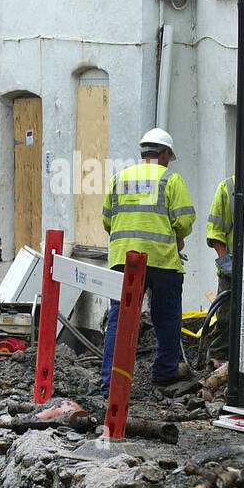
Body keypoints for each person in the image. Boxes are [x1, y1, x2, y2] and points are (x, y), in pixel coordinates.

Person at [101, 127, 195, 392]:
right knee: (166, 317)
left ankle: (111, 382)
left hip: (123, 260)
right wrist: (177, 236)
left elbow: (107, 220)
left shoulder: (119, 179)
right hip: (161, 260)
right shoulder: (170, 180)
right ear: (164, 154)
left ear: (143, 153)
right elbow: (184, 220)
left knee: (119, 321)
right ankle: (164, 371)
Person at [206, 175, 235, 362]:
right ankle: (217, 358)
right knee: (225, 318)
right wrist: (225, 261)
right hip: (230, 269)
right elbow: (215, 231)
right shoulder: (228, 187)